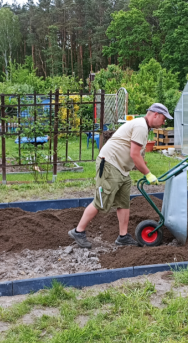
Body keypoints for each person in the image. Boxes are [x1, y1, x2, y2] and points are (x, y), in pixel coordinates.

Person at [68, 103, 173, 248]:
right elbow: (134, 154)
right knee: (101, 201)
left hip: (122, 169)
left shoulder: (144, 128)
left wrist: (144, 168)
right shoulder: (141, 126)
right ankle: (78, 231)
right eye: (163, 119)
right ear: (155, 114)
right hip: (110, 164)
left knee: (123, 203)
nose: (164, 122)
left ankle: (123, 236)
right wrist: (148, 174)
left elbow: (136, 156)